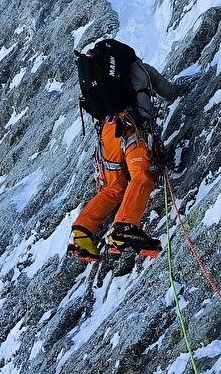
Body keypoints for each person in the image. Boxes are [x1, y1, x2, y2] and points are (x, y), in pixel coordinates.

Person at [67, 38, 178, 262]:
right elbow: (167, 91)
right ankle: (124, 228)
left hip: (107, 131)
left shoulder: (102, 82)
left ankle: (81, 231)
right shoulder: (138, 68)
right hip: (129, 127)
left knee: (113, 187)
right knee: (142, 173)